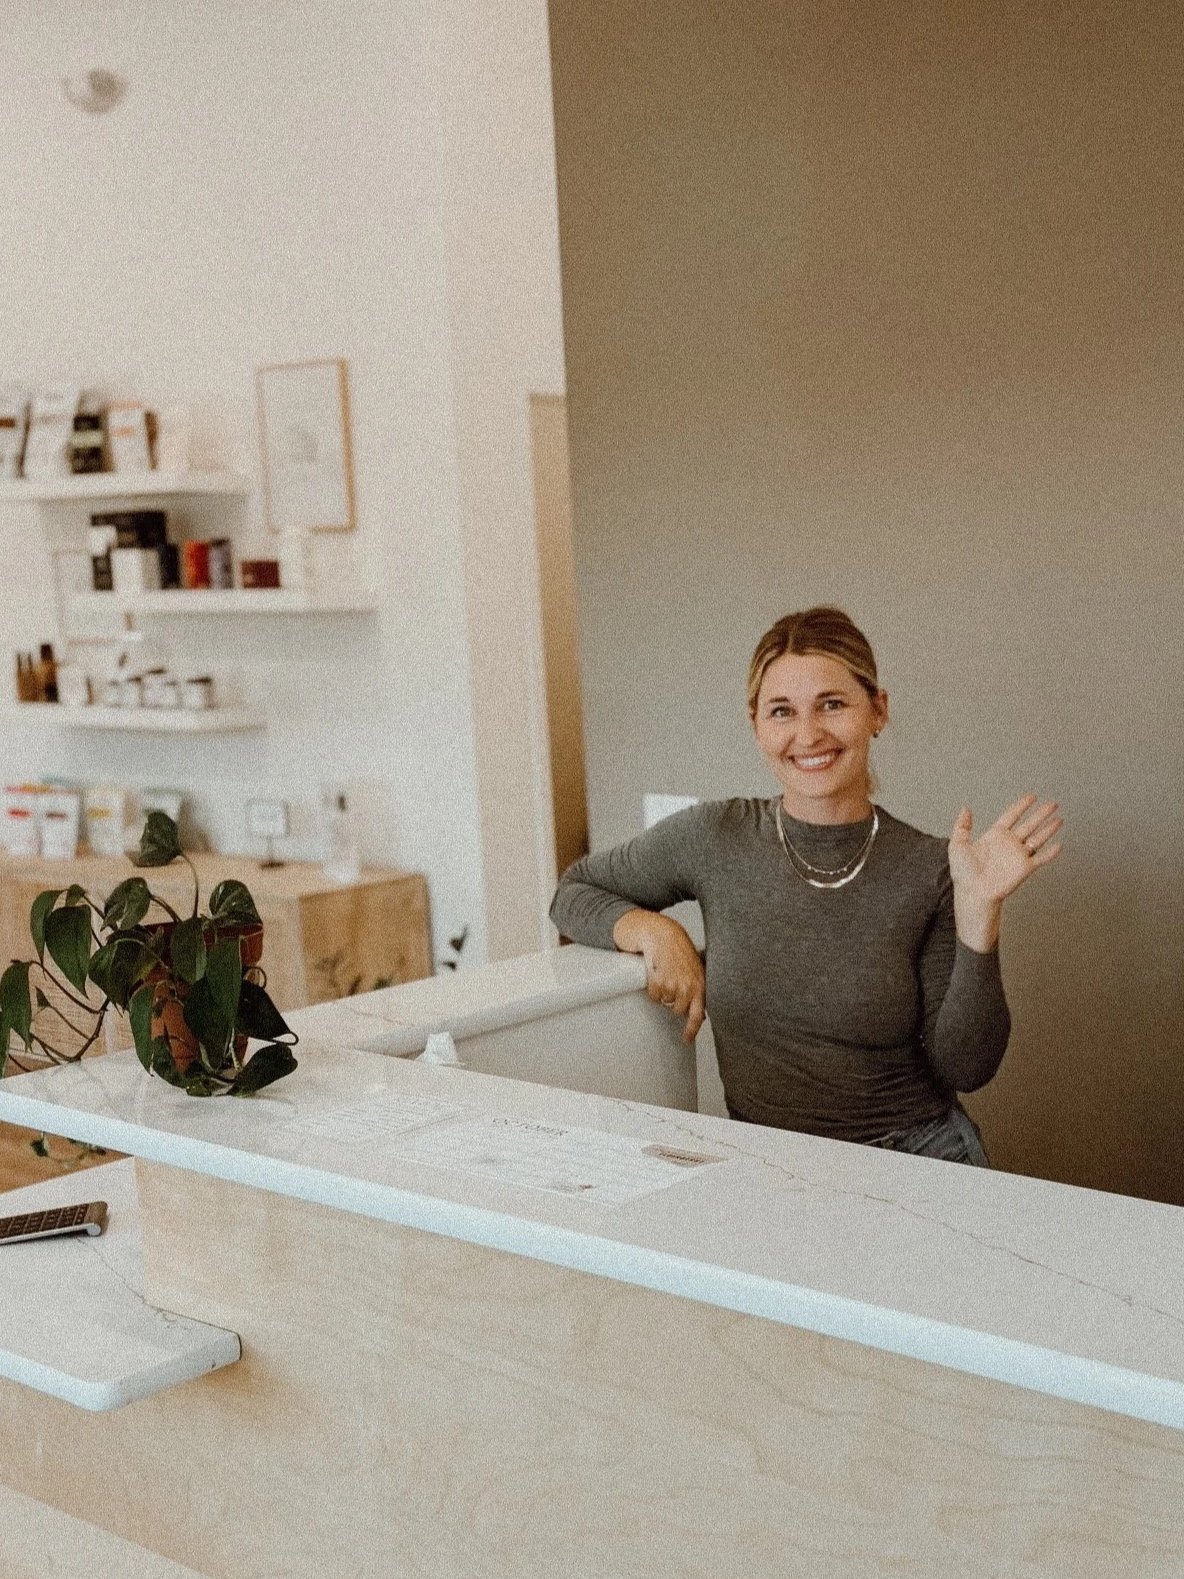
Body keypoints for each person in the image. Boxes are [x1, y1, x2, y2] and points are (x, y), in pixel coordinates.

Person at [549, 606, 1062, 1166]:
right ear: (756, 725)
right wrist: (652, 930)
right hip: (764, 1159)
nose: (808, 734)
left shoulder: (934, 868)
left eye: (832, 705)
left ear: (878, 711)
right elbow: (573, 892)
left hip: (915, 1159)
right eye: (781, 712)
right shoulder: (713, 836)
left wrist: (979, 915)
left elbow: (968, 1067)